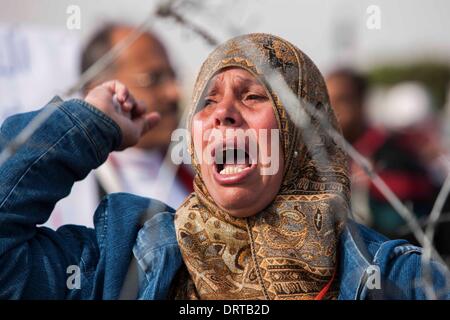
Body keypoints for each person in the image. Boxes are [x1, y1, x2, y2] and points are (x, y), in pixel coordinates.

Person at [0, 33, 449, 300]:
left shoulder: (394, 278)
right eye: (207, 100)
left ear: (302, 131)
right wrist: (88, 124)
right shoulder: (117, 262)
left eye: (252, 96)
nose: (222, 113)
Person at [47, 24, 193, 228]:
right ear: (101, 90)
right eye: (153, 78)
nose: (173, 92)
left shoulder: (198, 173)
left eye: (172, 76)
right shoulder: (69, 191)